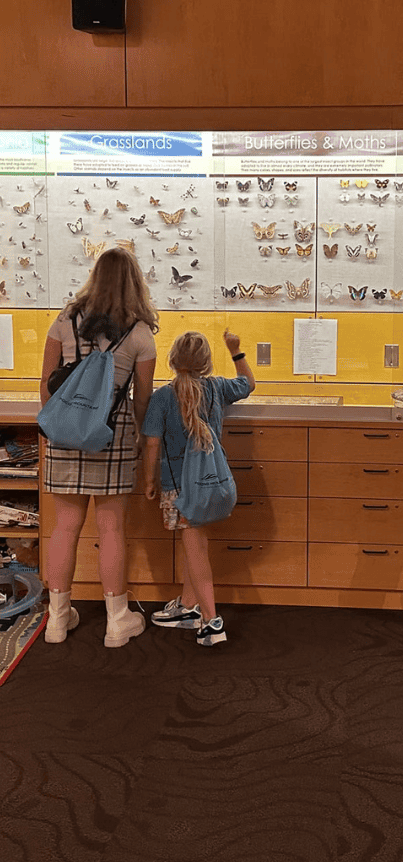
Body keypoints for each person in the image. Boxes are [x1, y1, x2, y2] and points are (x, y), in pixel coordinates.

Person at [40, 247, 158, 646]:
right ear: (134, 282)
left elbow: (46, 383)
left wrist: (65, 423)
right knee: (111, 528)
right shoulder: (139, 333)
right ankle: (116, 620)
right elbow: (142, 398)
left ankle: (56, 619)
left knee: (65, 527)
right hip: (113, 432)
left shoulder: (64, 321)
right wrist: (141, 438)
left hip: (65, 430)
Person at [141, 329, 255, 646]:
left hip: (178, 488)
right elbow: (248, 384)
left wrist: (149, 480)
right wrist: (236, 351)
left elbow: (151, 443)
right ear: (207, 363)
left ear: (173, 360)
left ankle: (211, 621)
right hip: (210, 483)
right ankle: (188, 606)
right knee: (195, 543)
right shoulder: (216, 388)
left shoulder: (163, 397)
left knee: (196, 549)